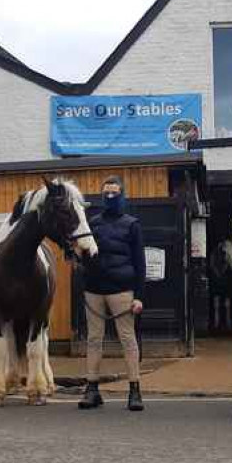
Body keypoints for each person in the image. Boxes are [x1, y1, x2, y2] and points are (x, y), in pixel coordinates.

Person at [78, 175, 146, 412]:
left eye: (114, 193)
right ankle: (92, 389)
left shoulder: (132, 224)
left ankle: (135, 391)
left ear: (122, 195)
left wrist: (139, 296)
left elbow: (140, 262)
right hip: (94, 289)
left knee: (128, 339)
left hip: (122, 290)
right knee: (94, 340)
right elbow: (84, 254)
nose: (109, 196)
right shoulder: (93, 223)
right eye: (105, 193)